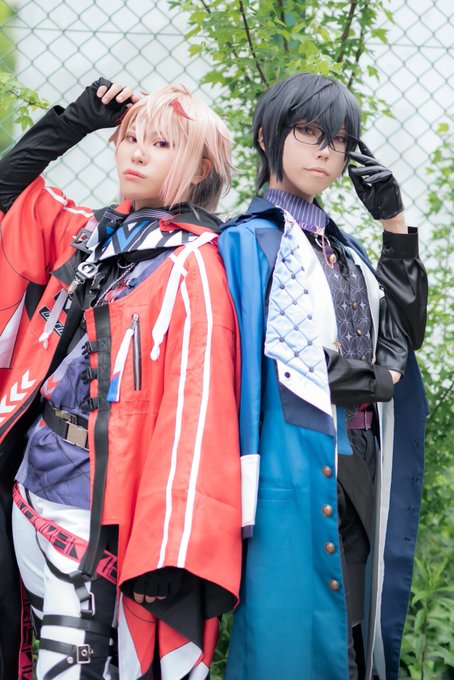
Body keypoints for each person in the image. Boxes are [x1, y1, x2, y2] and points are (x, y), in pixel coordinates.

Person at [0, 78, 242, 680]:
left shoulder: (197, 262)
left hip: (97, 511)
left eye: (160, 143)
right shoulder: (94, 233)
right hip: (29, 485)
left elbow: (196, 412)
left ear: (200, 166)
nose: (136, 153)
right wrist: (75, 121)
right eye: (131, 137)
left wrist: (171, 551)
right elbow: (6, 191)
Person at [218, 72, 428, 680]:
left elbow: (404, 336)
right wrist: (380, 379)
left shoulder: (342, 246)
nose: (325, 151)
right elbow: (290, 364)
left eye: (338, 140)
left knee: (354, 641)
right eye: (308, 132)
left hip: (358, 464)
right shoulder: (248, 243)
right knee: (292, 648)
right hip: (292, 464)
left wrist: (394, 224)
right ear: (267, 137)